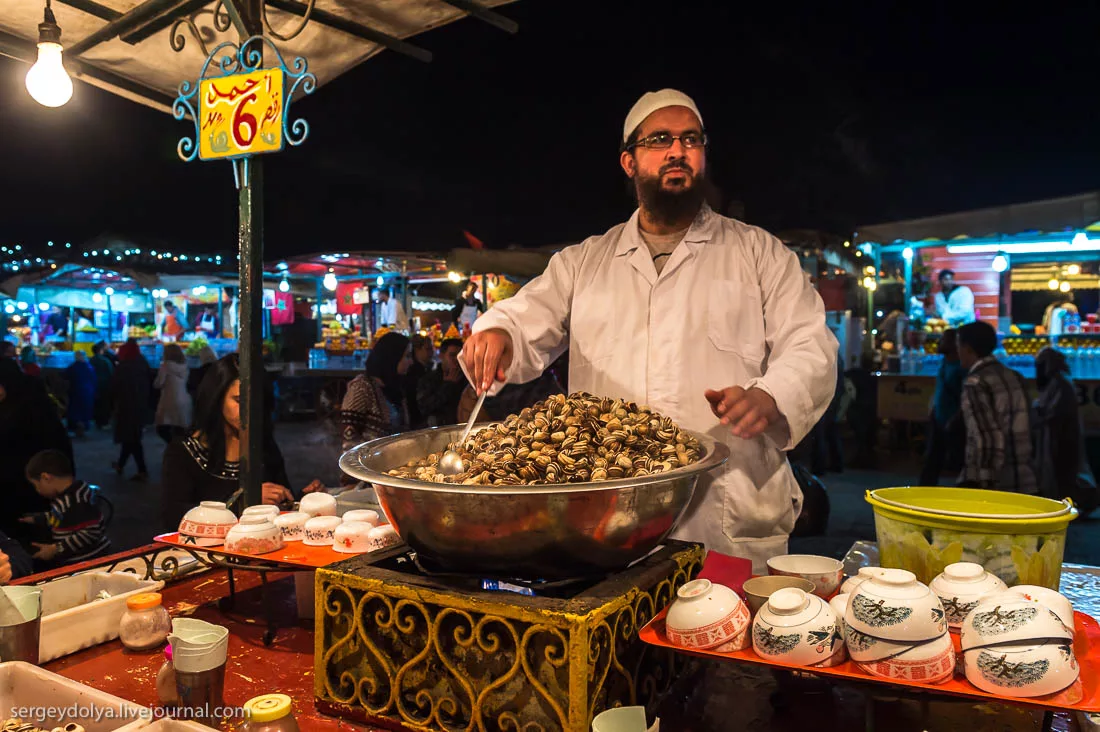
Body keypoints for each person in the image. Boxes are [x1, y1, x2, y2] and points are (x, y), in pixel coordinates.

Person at [462, 89, 837, 570]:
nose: (677, 150)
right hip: (608, 516)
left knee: (716, 638)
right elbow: (524, 315)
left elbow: (811, 344)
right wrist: (500, 333)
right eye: (659, 139)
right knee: (615, 636)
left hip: (724, 507)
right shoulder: (584, 262)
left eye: (690, 139)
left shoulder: (759, 253)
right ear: (629, 161)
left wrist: (770, 395)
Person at [161, 354, 322, 530]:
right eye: (238, 400)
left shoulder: (262, 445)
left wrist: (303, 500)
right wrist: (246, 501)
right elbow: (176, 519)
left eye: (255, 401)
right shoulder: (183, 452)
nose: (248, 410)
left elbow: (280, 502)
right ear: (217, 398)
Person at [957, 321, 1036, 493]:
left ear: (968, 348)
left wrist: (985, 485)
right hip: (1025, 478)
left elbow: (988, 440)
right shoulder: (1014, 375)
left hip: (999, 484)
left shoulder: (975, 382)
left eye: (959, 346)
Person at [0, 360, 73, 542]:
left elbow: (52, 448)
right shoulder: (10, 405)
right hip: (15, 487)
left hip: (34, 490)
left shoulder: (33, 408)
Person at [1033, 347, 1097, 515]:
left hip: (1063, 438)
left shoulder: (1060, 384)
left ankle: (1084, 502)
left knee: (1067, 475)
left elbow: (1054, 413)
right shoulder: (1056, 382)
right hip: (1055, 437)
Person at [21, 449, 110, 564]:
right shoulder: (65, 498)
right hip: (79, 558)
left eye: (36, 486)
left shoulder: (77, 501)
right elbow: (59, 517)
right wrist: (37, 519)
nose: (37, 491)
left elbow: (91, 533)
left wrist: (55, 549)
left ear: (46, 478)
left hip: (88, 560)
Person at [340, 332, 412, 453]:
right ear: (392, 357)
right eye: (407, 356)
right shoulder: (362, 388)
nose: (411, 362)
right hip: (369, 467)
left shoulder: (395, 387)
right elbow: (349, 443)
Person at [919, 329, 965, 486]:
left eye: (943, 340)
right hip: (939, 418)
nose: (939, 343)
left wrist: (956, 418)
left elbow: (964, 397)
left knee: (955, 461)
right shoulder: (946, 362)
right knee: (932, 460)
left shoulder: (961, 367)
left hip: (954, 422)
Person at [111, 339, 151, 481]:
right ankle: (121, 465)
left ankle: (142, 470)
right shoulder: (142, 363)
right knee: (131, 439)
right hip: (139, 407)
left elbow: (116, 387)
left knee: (131, 439)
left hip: (127, 407)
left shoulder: (124, 367)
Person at [416, 338, 468, 427]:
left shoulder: (467, 378)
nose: (456, 359)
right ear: (441, 355)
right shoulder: (428, 379)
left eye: (460, 356)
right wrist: (448, 385)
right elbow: (425, 407)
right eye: (452, 355)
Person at [154, 344, 192, 444]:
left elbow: (159, 383)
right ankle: (179, 450)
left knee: (162, 428)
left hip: (169, 400)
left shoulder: (165, 366)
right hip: (184, 399)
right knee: (180, 429)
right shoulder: (185, 366)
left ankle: (174, 447)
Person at [64, 350, 97, 436]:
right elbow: (94, 380)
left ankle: (75, 428)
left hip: (76, 392)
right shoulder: (89, 367)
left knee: (75, 412)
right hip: (88, 392)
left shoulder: (73, 367)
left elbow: (65, 376)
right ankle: (84, 427)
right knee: (85, 411)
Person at [404, 334, 433, 429]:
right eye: (428, 349)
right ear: (417, 350)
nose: (431, 353)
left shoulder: (426, 369)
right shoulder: (414, 372)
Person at [90, 341, 114, 429]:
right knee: (104, 404)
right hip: (105, 385)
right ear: (101, 350)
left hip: (95, 385)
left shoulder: (91, 360)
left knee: (97, 403)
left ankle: (98, 422)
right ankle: (104, 422)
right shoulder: (105, 361)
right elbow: (111, 372)